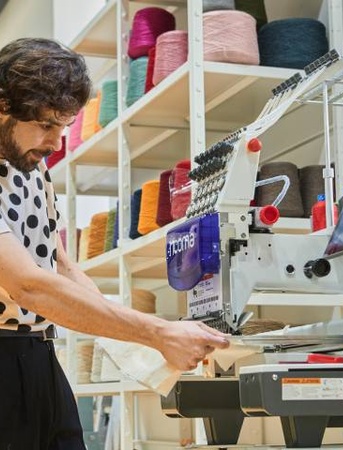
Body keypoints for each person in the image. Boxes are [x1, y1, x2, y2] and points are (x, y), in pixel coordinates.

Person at [0, 37, 229, 450]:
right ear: (2, 106)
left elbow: (60, 267)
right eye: (46, 125)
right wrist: (157, 333)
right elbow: (28, 284)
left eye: (63, 127)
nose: (55, 143)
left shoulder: (29, 167)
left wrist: (139, 344)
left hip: (39, 359)